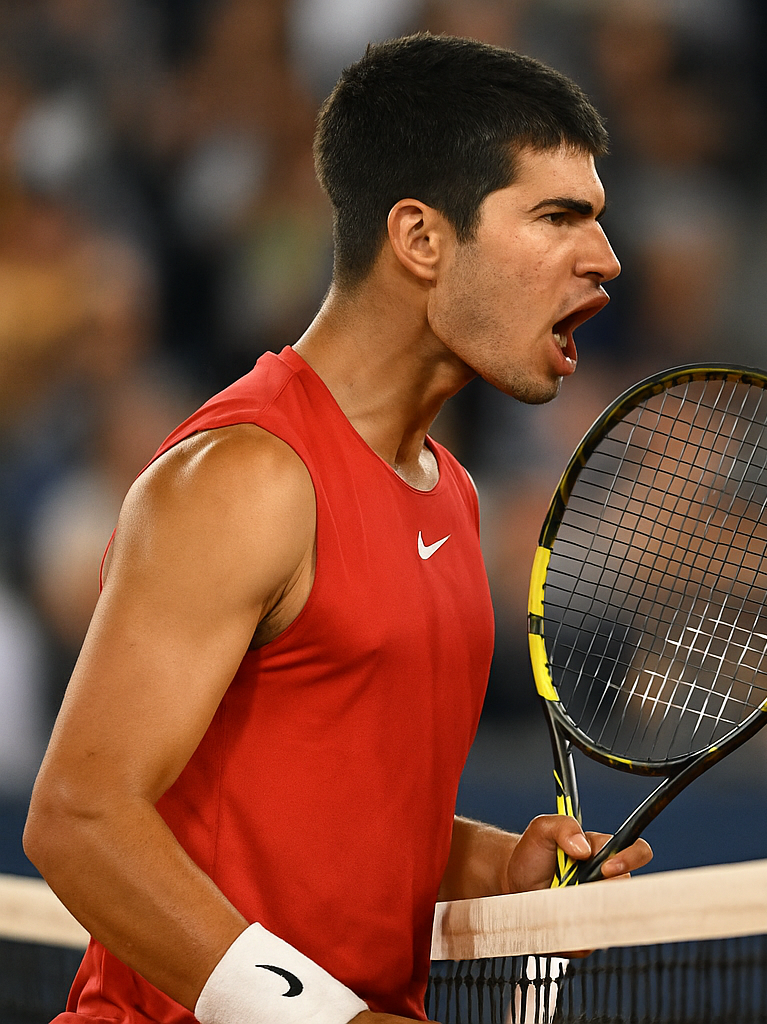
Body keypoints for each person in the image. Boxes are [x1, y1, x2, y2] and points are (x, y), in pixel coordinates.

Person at [23, 34, 652, 1024]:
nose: (606, 259)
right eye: (557, 217)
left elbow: (330, 816)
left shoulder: (454, 493)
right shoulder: (244, 477)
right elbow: (78, 817)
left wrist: (495, 865)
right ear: (420, 238)